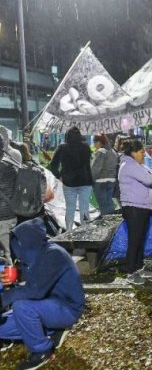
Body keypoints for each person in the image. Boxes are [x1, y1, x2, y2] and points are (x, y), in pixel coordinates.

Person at [0, 218, 85, 370]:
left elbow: (36, 291)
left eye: (18, 242)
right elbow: (31, 283)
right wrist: (15, 279)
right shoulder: (31, 257)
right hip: (45, 306)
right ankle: (51, 330)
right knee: (3, 325)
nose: (16, 248)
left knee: (22, 307)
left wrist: (4, 300)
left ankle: (42, 351)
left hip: (67, 308)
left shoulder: (53, 254)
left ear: (29, 240)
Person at [118, 140, 152, 285]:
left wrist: (151, 177)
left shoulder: (136, 165)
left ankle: (139, 267)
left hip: (141, 206)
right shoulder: (129, 165)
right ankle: (130, 272)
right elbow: (150, 179)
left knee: (140, 238)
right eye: (142, 152)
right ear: (133, 152)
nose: (143, 155)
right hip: (134, 207)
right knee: (135, 239)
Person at [49, 127, 93, 231]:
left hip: (69, 182)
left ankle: (69, 232)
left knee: (70, 208)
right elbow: (87, 163)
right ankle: (86, 231)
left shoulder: (62, 147)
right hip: (85, 181)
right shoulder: (86, 147)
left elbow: (53, 165)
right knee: (84, 208)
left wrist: (59, 175)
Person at [15, 143, 51, 225]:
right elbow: (43, 188)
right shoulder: (36, 167)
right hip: (35, 209)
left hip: (19, 210)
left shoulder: (14, 168)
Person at [0, 134, 18, 266]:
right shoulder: (10, 166)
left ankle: (7, 282)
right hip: (10, 214)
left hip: (3, 216)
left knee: (6, 256)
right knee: (7, 253)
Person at [91, 134, 118, 216]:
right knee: (109, 203)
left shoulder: (101, 151)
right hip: (111, 181)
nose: (94, 145)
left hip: (100, 181)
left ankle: (106, 222)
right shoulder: (113, 151)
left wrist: (91, 180)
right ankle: (112, 220)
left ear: (99, 142)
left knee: (103, 205)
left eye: (94, 142)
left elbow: (95, 169)